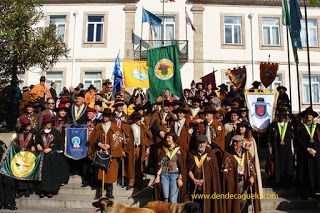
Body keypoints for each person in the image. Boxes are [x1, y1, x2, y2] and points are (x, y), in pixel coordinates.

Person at [88, 108, 125, 199]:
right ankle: (99, 192)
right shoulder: (98, 126)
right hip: (101, 153)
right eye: (104, 116)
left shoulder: (115, 127)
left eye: (107, 116)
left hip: (111, 153)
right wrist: (99, 144)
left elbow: (119, 140)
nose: (105, 118)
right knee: (100, 173)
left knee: (110, 173)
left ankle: (109, 192)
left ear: (110, 117)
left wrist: (110, 146)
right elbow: (91, 139)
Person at [222, 135, 261, 213]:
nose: (234, 144)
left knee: (243, 201)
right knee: (234, 203)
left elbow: (252, 168)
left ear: (241, 143)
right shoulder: (227, 154)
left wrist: (252, 176)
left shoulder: (246, 153)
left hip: (244, 181)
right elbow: (225, 171)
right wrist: (230, 181)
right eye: (234, 142)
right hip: (233, 182)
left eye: (237, 142)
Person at [187, 135, 223, 213]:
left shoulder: (210, 154)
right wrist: (193, 179)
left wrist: (203, 180)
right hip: (194, 185)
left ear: (206, 143)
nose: (201, 145)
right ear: (196, 143)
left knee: (206, 205)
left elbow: (213, 173)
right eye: (199, 143)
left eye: (203, 143)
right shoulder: (191, 153)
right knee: (195, 206)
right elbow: (188, 169)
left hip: (207, 186)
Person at [122, 111, 153, 190]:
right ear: (135, 120)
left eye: (140, 119)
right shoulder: (129, 127)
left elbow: (149, 135)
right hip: (132, 148)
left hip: (140, 148)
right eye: (139, 119)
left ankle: (140, 182)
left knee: (140, 165)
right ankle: (131, 182)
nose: (140, 121)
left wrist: (147, 148)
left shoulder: (142, 127)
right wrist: (124, 149)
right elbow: (124, 137)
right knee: (131, 165)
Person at [154, 132, 187, 203]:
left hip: (175, 176)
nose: (167, 139)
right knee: (165, 199)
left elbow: (183, 166)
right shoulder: (164, 150)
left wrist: (180, 178)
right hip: (164, 176)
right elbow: (161, 164)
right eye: (166, 137)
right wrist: (157, 176)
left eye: (169, 137)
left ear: (174, 139)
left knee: (173, 200)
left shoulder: (179, 150)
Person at [35, 114, 63, 198]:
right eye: (47, 122)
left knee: (51, 173)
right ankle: (42, 191)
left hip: (52, 156)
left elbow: (59, 143)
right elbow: (36, 142)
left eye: (50, 122)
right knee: (42, 173)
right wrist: (37, 145)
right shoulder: (40, 132)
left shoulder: (55, 132)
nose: (49, 123)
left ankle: (51, 190)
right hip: (42, 155)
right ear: (44, 123)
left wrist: (51, 148)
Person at [296, 107, 320, 199]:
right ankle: (306, 192)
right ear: (305, 117)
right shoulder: (300, 127)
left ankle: (316, 191)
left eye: (310, 115)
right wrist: (308, 149)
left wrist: (315, 151)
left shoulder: (318, 127)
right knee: (306, 172)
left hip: (316, 154)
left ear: (313, 117)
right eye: (307, 115)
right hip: (305, 154)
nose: (309, 117)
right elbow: (299, 140)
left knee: (316, 172)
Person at [268, 108, 295, 187]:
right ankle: (278, 182)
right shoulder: (273, 125)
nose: (283, 117)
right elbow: (270, 138)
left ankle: (287, 182)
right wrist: (270, 149)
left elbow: (292, 138)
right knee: (278, 164)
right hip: (277, 148)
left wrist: (292, 148)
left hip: (287, 148)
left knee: (287, 165)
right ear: (279, 116)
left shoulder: (289, 125)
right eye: (282, 115)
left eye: (285, 116)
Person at [14, 116, 36, 198]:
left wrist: (34, 146)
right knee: (20, 173)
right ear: (24, 126)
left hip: (29, 155)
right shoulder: (19, 135)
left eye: (29, 125)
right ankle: (21, 189)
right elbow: (15, 144)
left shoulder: (33, 134)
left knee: (28, 172)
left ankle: (28, 189)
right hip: (21, 155)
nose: (29, 126)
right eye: (27, 125)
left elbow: (35, 143)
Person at [0, 140, 17, 210]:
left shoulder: (1, 143)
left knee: (10, 182)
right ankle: (5, 203)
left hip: (4, 170)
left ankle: (8, 203)